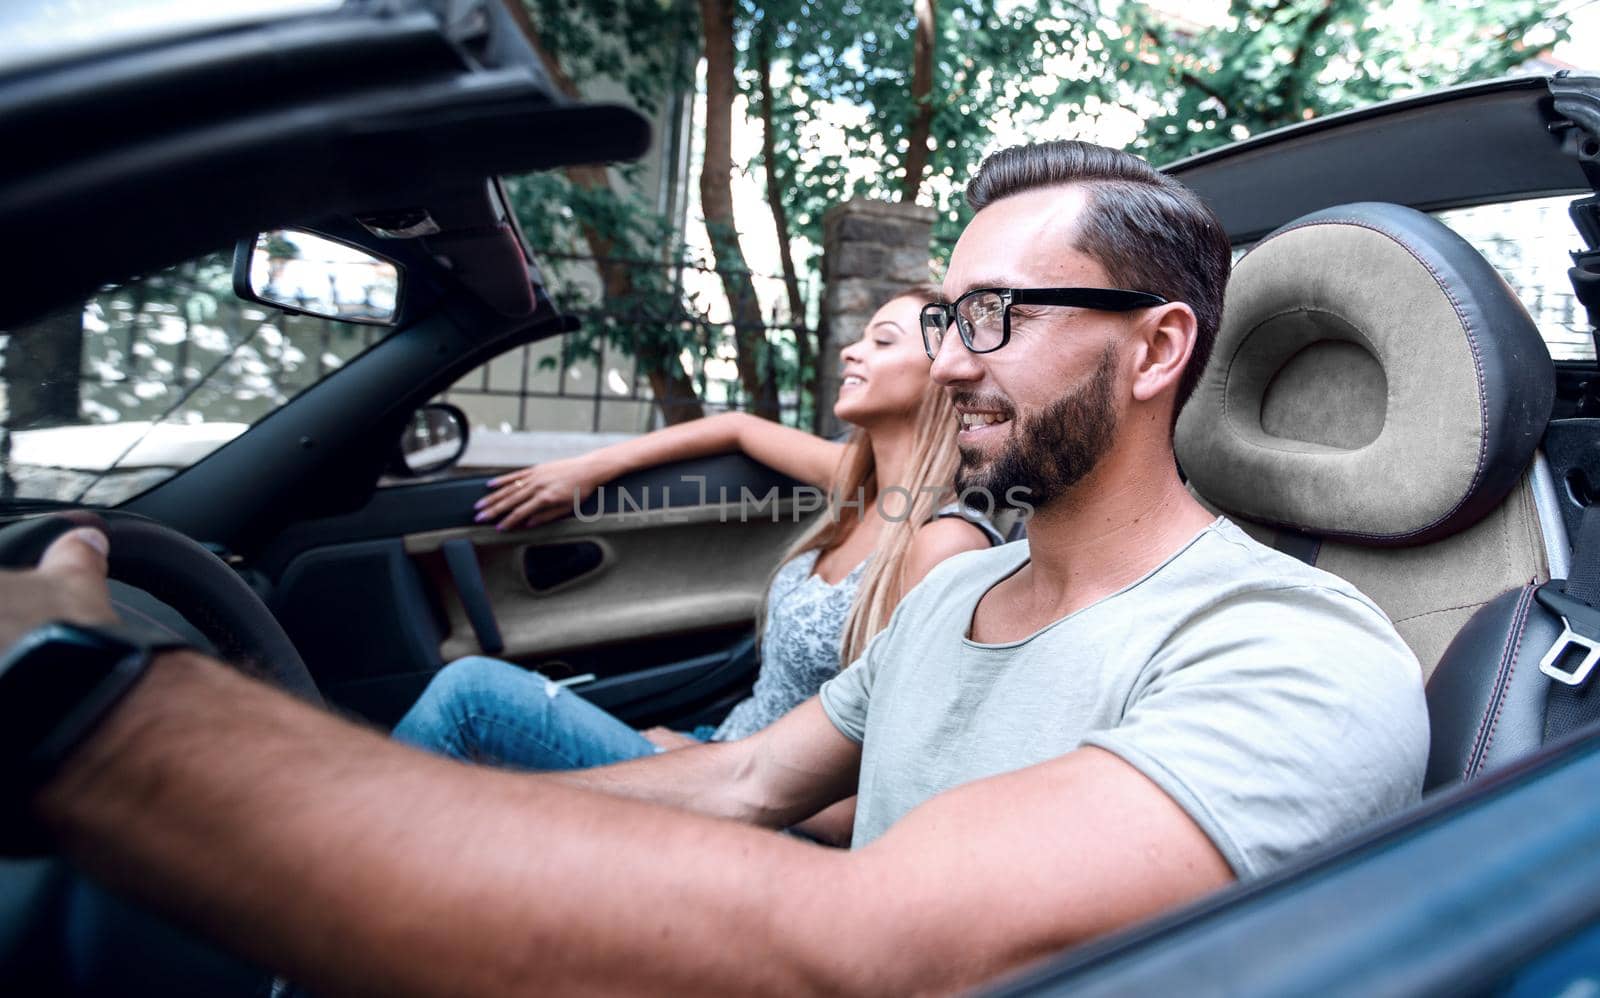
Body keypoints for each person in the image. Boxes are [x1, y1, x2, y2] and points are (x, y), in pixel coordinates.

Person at [7, 140, 1428, 996]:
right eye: (945, 318)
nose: (947, 356)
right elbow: (739, 782)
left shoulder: (1294, 650)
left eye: (991, 315)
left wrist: (99, 718)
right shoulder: (949, 597)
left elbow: (881, 946)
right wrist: (401, 831)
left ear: (1158, 348)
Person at [392, 288, 1002, 844]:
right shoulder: (860, 486)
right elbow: (737, 429)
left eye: (882, 341)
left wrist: (696, 767)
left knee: (470, 697)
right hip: (719, 757)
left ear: (942, 373)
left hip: (767, 815)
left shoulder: (942, 545)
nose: (850, 351)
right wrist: (588, 470)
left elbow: (889, 799)